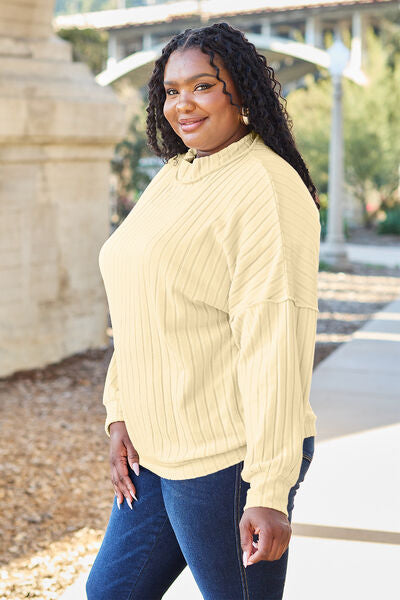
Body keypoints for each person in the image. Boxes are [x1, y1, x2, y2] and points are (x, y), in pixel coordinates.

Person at [86, 22, 320, 600]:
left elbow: (276, 340)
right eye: (171, 90)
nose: (182, 105)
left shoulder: (266, 187)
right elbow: (140, 306)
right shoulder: (177, 174)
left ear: (241, 92)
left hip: (226, 460)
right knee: (111, 593)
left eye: (203, 87)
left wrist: (269, 489)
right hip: (155, 453)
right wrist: (120, 414)